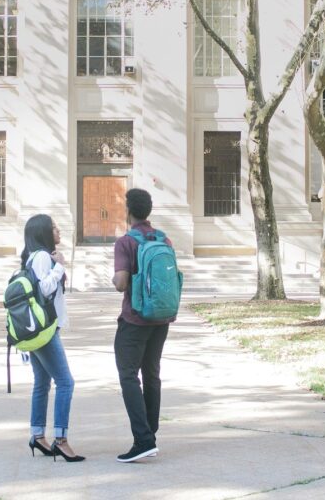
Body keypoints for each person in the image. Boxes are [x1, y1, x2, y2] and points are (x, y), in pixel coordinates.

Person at [111, 188, 174, 463]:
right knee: (152, 375)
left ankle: (143, 439)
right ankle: (151, 434)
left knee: (128, 375)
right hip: (161, 318)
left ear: (128, 211)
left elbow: (122, 283)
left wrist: (114, 279)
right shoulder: (164, 239)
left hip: (135, 318)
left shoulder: (126, 242)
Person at [21, 214, 85, 462]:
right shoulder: (41, 258)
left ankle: (37, 435)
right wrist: (59, 266)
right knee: (66, 383)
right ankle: (61, 440)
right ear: (43, 233)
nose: (58, 231)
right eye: (54, 228)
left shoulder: (33, 257)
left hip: (38, 328)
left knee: (42, 383)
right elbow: (43, 289)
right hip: (45, 329)